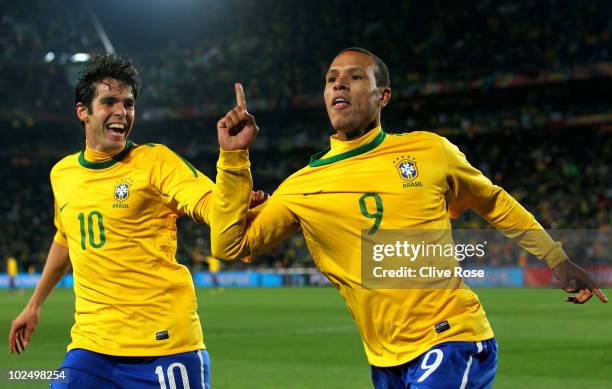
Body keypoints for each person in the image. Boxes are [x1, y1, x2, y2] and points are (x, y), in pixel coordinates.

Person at [210, 47, 607, 388]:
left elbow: (494, 202)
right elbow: (229, 245)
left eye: (353, 77)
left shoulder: (429, 151)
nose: (339, 84)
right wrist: (233, 157)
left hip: (452, 338)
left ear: (383, 96)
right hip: (386, 359)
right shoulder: (301, 186)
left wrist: (555, 257)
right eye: (332, 79)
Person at [7, 54, 261, 388]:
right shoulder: (63, 174)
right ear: (82, 111)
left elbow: (214, 208)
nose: (121, 113)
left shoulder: (155, 162)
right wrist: (33, 304)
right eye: (109, 102)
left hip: (164, 348)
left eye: (128, 104)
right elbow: (66, 238)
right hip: (91, 348)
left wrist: (233, 159)